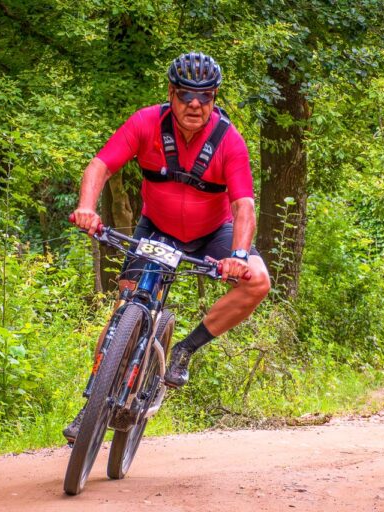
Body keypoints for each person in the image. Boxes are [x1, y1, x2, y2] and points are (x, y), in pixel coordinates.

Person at [65, 51, 270, 442]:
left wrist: (239, 256)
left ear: (213, 98)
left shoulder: (229, 141)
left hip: (213, 233)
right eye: (186, 95)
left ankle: (185, 350)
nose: (195, 104)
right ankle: (91, 405)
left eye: (204, 96)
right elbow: (100, 165)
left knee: (259, 281)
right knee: (124, 308)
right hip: (157, 229)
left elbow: (243, 205)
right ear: (171, 94)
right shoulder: (146, 123)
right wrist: (87, 208)